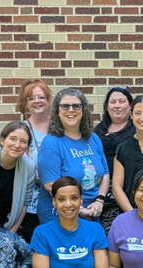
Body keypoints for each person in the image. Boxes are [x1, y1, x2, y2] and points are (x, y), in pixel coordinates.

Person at [36, 88, 109, 224]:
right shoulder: (51, 143)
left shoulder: (93, 138)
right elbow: (50, 184)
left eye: (76, 106)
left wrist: (99, 201)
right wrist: (79, 209)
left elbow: (105, 173)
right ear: (57, 111)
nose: (71, 110)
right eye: (65, 106)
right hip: (60, 215)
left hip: (92, 211)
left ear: (83, 110)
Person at [94, 86, 135, 230]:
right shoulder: (97, 131)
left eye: (122, 101)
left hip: (124, 193)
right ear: (106, 106)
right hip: (97, 192)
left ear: (130, 106)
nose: (117, 105)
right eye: (113, 102)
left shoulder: (136, 130)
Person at [17, 79, 53, 241]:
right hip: (30, 204)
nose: (37, 101)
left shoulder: (59, 128)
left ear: (48, 100)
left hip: (58, 200)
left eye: (41, 97)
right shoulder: (20, 130)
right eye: (31, 98)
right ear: (25, 103)